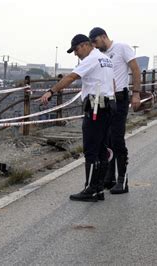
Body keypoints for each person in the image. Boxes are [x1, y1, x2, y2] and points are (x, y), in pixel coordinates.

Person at [39, 34, 116, 202]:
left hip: (97, 107)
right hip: (108, 106)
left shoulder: (91, 59)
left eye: (76, 49)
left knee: (91, 149)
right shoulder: (105, 59)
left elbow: (71, 77)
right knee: (102, 149)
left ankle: (90, 189)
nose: (75, 54)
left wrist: (51, 91)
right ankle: (98, 189)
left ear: (85, 45)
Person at [89, 27, 141, 194]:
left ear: (103, 37)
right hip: (108, 100)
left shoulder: (122, 48)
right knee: (107, 139)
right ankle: (109, 178)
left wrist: (136, 94)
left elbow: (135, 69)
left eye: (96, 42)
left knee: (117, 139)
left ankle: (123, 180)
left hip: (121, 98)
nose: (95, 46)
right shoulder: (101, 55)